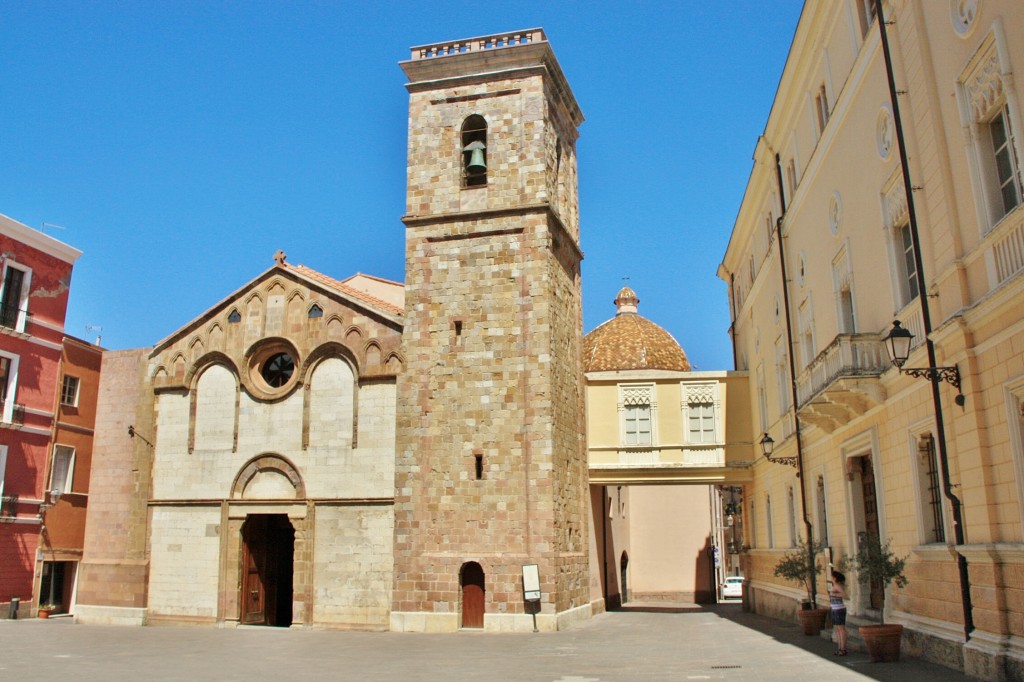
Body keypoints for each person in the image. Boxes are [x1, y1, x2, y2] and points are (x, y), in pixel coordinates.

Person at [830, 570, 848, 656]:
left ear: (835, 578)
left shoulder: (837, 586)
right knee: (837, 629)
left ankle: (843, 648)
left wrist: (834, 595)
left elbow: (845, 595)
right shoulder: (835, 586)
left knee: (841, 629)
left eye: (832, 577)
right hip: (835, 608)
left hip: (839, 609)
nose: (831, 578)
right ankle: (840, 648)